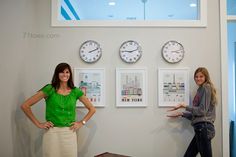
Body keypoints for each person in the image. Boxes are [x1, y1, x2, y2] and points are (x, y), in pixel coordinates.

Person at [21, 63, 96, 157]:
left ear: (70, 74)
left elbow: (92, 109)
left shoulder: (75, 91)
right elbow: (25, 105)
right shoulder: (49, 89)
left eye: (67, 72)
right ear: (57, 74)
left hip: (69, 133)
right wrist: (38, 124)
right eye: (62, 72)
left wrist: (82, 123)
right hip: (52, 133)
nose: (65, 74)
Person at [167, 67, 217, 157]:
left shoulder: (206, 87)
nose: (198, 78)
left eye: (201, 76)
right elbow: (197, 114)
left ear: (206, 77)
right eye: (196, 76)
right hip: (201, 128)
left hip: (204, 128)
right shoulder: (200, 90)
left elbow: (201, 111)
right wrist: (182, 114)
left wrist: (184, 106)